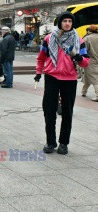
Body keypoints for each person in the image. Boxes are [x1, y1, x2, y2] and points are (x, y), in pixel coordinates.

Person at [35, 11, 90, 155]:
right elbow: (41, 57)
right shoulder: (48, 38)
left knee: (67, 112)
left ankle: (64, 143)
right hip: (52, 77)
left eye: (70, 21)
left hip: (70, 79)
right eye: (65, 21)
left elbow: (85, 63)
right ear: (60, 23)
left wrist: (79, 57)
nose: (67, 24)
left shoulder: (79, 40)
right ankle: (50, 142)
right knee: (49, 110)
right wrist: (38, 72)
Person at [82, 24, 98, 101]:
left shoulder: (87, 38)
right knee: (88, 76)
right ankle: (83, 92)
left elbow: (84, 50)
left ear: (90, 31)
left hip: (91, 60)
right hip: (96, 60)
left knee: (94, 78)